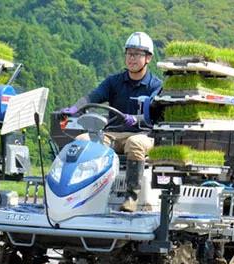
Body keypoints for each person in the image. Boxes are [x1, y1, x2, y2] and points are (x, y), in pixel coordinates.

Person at [60, 32, 162, 212]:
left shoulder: (156, 85)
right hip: (113, 133)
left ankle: (131, 197)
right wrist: (75, 108)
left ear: (148, 58)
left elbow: (155, 112)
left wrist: (136, 119)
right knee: (84, 140)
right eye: (129, 53)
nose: (132, 58)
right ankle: (80, 194)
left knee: (134, 143)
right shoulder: (114, 82)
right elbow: (93, 96)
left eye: (137, 54)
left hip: (144, 135)